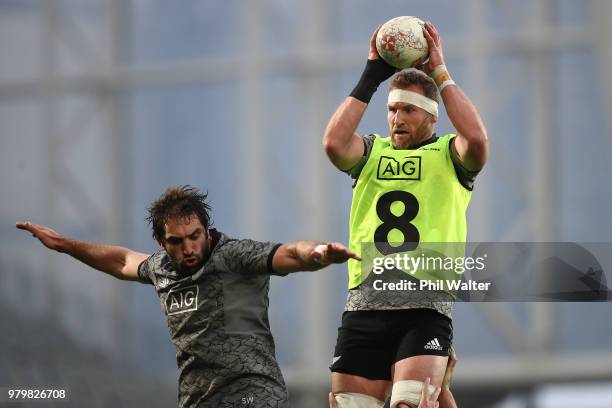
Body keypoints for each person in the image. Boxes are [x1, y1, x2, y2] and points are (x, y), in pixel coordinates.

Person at [16, 185, 360, 408]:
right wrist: (63, 245)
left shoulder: (235, 256)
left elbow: (291, 254)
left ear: (206, 231)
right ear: (162, 243)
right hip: (197, 399)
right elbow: (120, 259)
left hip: (254, 393)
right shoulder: (160, 269)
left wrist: (319, 252)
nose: (189, 247)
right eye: (177, 242)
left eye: (194, 236)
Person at [323, 20, 487, 408]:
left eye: (409, 110)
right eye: (393, 109)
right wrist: (371, 76)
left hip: (425, 305)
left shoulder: (451, 155)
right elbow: (332, 143)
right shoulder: (370, 152)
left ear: (432, 117)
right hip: (364, 302)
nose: (397, 118)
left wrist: (441, 74)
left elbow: (477, 140)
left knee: (411, 403)